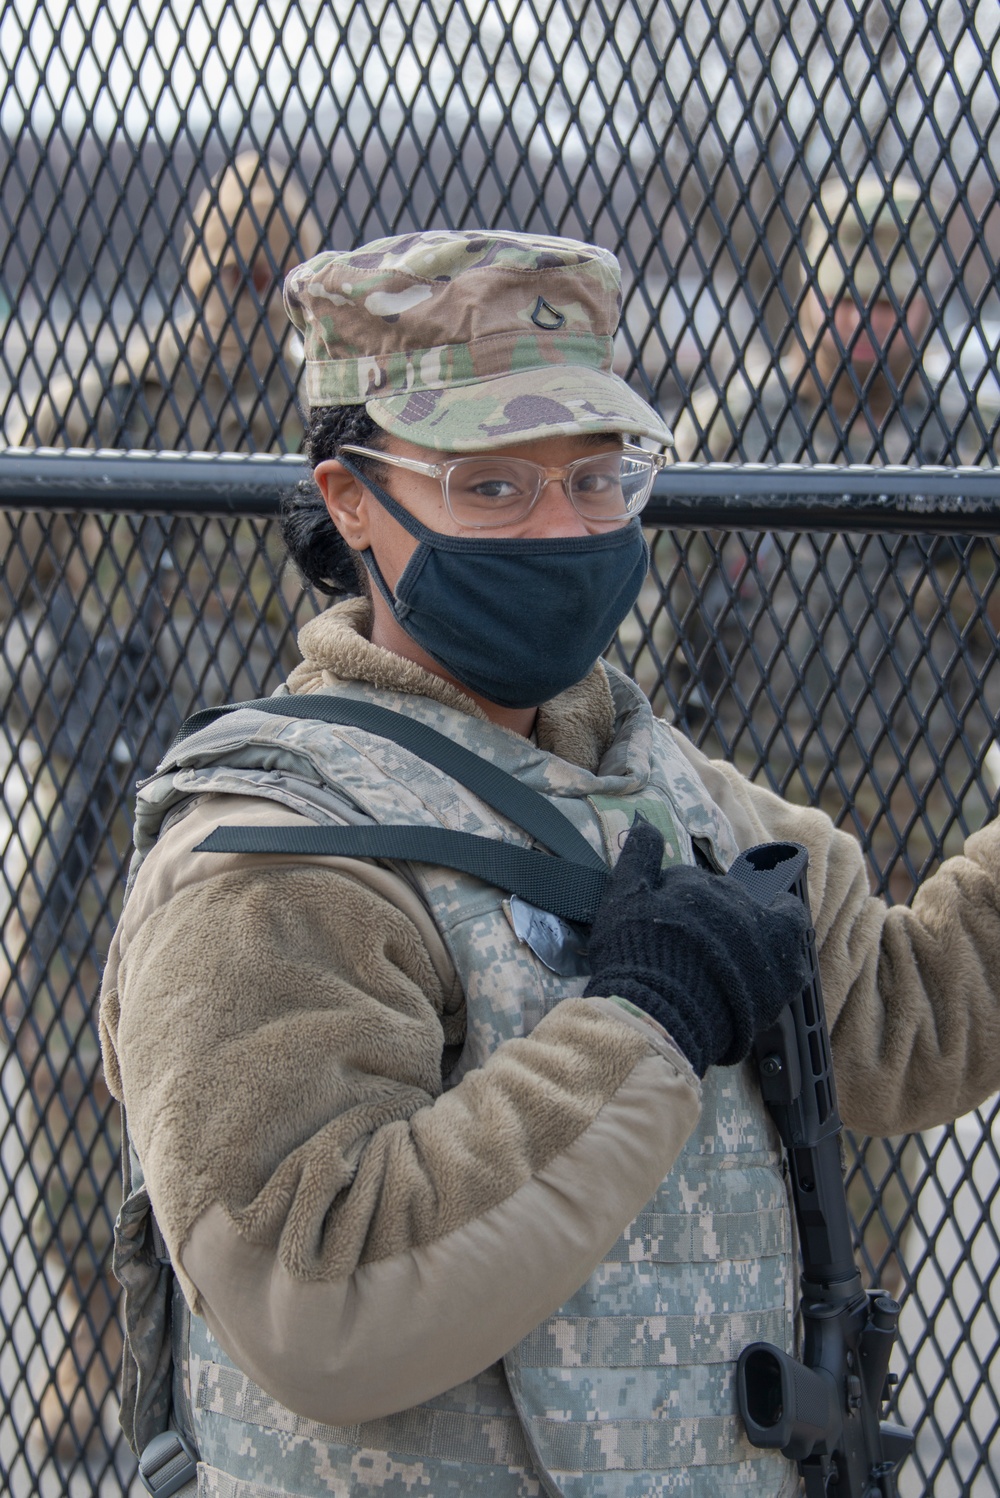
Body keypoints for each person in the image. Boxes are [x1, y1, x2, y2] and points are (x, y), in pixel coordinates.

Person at [97, 229, 1000, 1497]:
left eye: (595, 477)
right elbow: (321, 1298)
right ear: (352, 497)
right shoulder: (266, 855)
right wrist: (648, 1021)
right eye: (490, 487)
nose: (562, 531)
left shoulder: (660, 777)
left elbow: (904, 1019)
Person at [2, 153, 322, 1462]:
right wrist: (42, 680)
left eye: (268, 279)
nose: (243, 303)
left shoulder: (325, 438)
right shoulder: (111, 410)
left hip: (279, 805)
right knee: (72, 1042)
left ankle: (235, 1328)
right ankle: (91, 1329)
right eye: (228, 274)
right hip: (119, 796)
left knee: (278, 1057)